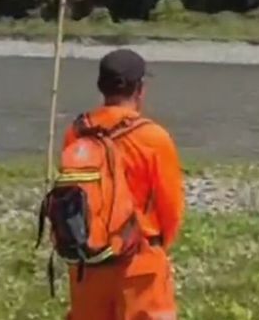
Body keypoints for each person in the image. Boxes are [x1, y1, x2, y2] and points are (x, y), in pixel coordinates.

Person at [49, 48, 185, 320]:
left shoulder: (76, 132)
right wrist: (156, 249)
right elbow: (171, 210)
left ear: (101, 86)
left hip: (88, 263)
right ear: (140, 89)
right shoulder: (154, 137)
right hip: (140, 266)